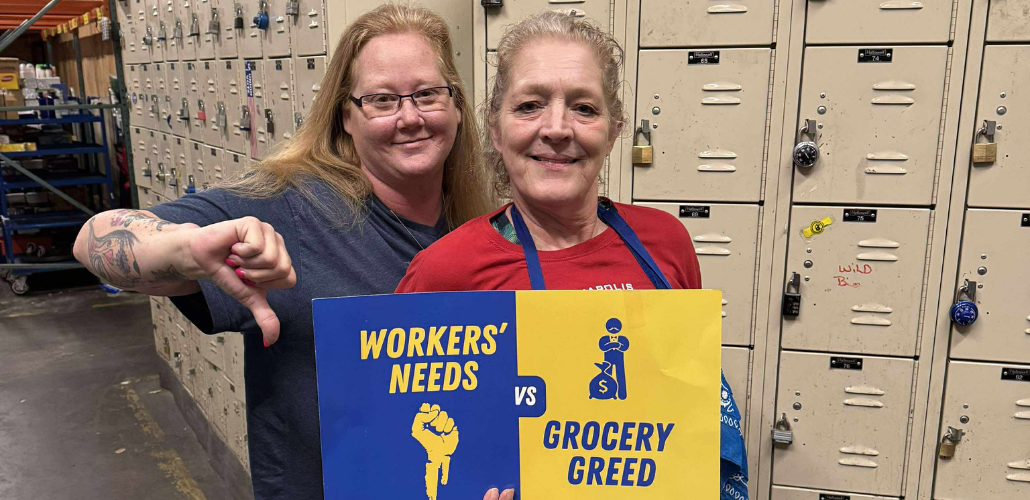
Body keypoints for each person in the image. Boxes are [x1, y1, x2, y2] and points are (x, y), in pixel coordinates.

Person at [72, 4, 494, 499]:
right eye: (381, 100)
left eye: (427, 94)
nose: (410, 116)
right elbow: (93, 239)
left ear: (458, 107)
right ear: (346, 118)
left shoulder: (480, 231)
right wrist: (186, 247)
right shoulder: (289, 210)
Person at [395, 11, 749, 500]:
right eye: (530, 105)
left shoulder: (664, 243)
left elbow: (691, 409)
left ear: (614, 129)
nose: (557, 128)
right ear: (496, 130)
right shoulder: (445, 270)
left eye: (584, 108)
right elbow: (405, 447)